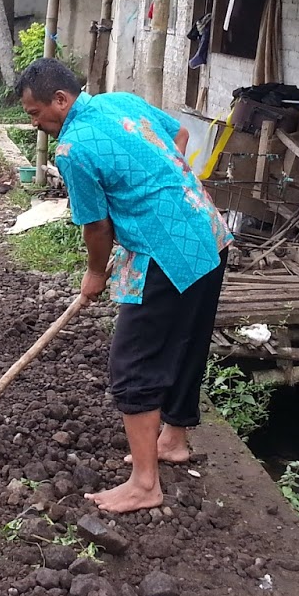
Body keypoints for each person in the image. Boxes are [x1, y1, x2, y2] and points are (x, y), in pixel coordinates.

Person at [15, 58, 232, 514]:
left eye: (36, 114)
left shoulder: (72, 149)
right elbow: (178, 138)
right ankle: (173, 440)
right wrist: (158, 192)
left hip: (166, 252)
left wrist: (95, 273)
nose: (35, 124)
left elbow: (96, 227)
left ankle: (144, 484)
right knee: (187, 338)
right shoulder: (121, 102)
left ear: (61, 100)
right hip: (207, 229)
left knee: (133, 362)